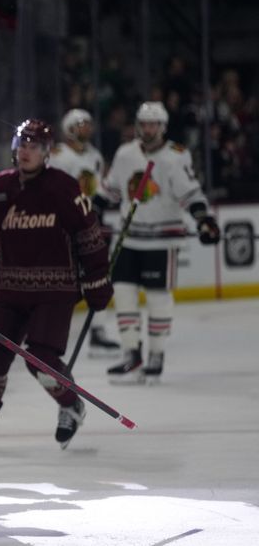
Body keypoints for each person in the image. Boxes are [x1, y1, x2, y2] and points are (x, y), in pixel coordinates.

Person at [0, 119, 113, 452]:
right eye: (22, 145)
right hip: (11, 290)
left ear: (46, 152)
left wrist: (97, 279)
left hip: (55, 291)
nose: (26, 152)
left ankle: (71, 404)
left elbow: (89, 235)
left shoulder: (63, 187)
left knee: (39, 357)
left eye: (35, 147)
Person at [94, 102, 220, 384]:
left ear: (162, 127)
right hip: (130, 236)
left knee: (157, 298)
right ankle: (131, 353)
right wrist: (93, 212)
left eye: (154, 124)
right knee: (123, 293)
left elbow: (191, 194)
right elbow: (109, 190)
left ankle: (156, 355)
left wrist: (204, 220)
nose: (148, 129)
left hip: (163, 240)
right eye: (144, 124)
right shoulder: (125, 153)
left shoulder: (176, 156)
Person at [50, 108, 120, 357]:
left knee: (96, 276)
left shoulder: (95, 156)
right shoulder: (57, 156)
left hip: (89, 224)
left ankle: (98, 332)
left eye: (88, 124)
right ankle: (49, 334)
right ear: (69, 128)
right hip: (61, 226)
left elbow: (100, 191)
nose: (86, 128)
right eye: (80, 124)